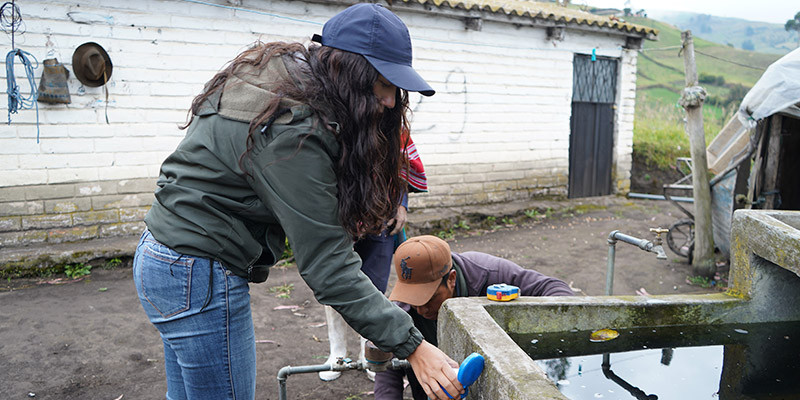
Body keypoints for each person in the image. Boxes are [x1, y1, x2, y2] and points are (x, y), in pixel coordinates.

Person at [131, 4, 463, 400]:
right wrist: (415, 347)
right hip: (198, 271)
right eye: (384, 84)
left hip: (167, 258)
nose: (392, 101)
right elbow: (328, 265)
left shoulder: (283, 76)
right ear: (351, 73)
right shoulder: (295, 129)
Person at [373, 235, 574, 399]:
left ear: (451, 279)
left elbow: (559, 294)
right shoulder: (402, 307)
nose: (421, 309)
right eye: (414, 298)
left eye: (429, 298)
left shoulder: (489, 273)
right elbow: (388, 367)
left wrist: (524, 346)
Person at [320, 131, 427, 382]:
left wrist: (401, 203)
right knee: (333, 281)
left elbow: (403, 164)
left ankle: (371, 354)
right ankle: (337, 353)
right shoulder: (333, 116)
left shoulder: (392, 122)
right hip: (337, 214)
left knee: (375, 287)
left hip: (382, 215)